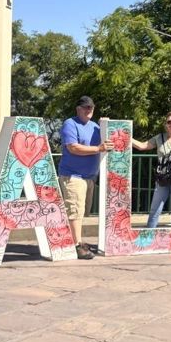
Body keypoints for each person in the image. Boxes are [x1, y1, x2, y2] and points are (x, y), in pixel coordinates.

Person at [58, 96, 112, 260]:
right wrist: (98, 148)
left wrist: (107, 126)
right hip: (73, 175)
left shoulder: (96, 127)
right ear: (78, 109)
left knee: (82, 211)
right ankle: (77, 245)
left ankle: (71, 241)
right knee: (75, 210)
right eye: (86, 107)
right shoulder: (70, 124)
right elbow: (73, 147)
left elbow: (109, 141)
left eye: (91, 107)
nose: (89, 110)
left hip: (89, 177)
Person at [130, 111, 171, 228]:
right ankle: (148, 238)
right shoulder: (159, 138)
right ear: (165, 124)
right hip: (163, 178)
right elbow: (142, 146)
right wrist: (125, 137)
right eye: (169, 122)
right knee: (155, 209)